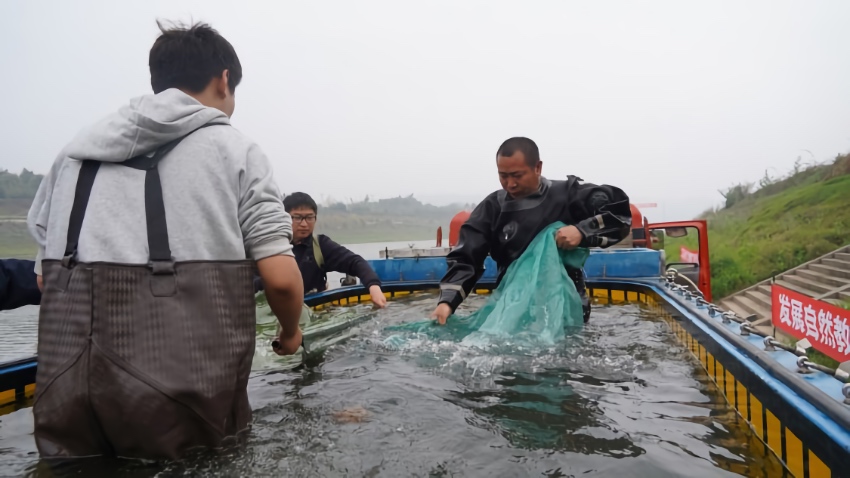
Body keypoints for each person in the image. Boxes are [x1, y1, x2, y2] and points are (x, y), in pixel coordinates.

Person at [26, 21, 304, 460]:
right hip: (185, 401)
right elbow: (282, 280)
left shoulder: (73, 154)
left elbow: (45, 277)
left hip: (64, 393)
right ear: (224, 80)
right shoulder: (236, 150)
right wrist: (290, 332)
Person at [430, 137, 632, 325]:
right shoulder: (493, 208)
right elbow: (466, 258)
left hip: (565, 309)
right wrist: (447, 302)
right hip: (511, 309)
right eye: (503, 176)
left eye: (517, 175)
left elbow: (620, 215)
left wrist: (582, 231)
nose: (510, 184)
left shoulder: (568, 196)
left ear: (537, 167)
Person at [256, 192, 387, 308]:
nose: (304, 223)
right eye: (297, 217)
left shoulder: (320, 246)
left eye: (309, 217)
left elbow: (355, 262)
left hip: (313, 311)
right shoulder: (267, 248)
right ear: (283, 218)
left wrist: (373, 286)